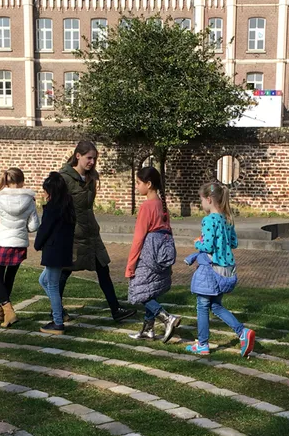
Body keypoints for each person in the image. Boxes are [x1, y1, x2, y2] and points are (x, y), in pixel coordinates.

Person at [59, 141, 134, 322]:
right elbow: (57, 207)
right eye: (89, 158)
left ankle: (116, 309)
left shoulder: (91, 178)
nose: (92, 162)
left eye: (94, 158)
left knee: (103, 269)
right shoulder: (63, 178)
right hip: (73, 234)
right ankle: (56, 310)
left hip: (91, 232)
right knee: (64, 271)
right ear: (78, 156)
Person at [185, 182, 255, 357]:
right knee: (215, 305)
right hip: (227, 269)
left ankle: (202, 344)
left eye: (201, 200)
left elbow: (207, 246)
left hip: (211, 269)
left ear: (208, 199)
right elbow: (234, 243)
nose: (201, 204)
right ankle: (242, 332)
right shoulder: (227, 218)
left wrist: (196, 242)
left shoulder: (208, 220)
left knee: (202, 305)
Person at [125, 167, 180, 341]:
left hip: (148, 253)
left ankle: (166, 317)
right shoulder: (162, 205)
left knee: (139, 291)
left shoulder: (147, 206)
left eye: (139, 183)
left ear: (148, 184)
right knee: (151, 289)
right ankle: (148, 330)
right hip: (162, 253)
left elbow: (138, 238)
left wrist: (130, 265)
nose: (137, 187)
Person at [0, 167, 39, 328]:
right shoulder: (29, 200)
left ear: (6, 180)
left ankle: (8, 310)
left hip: (3, 242)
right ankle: (0, 311)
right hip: (19, 244)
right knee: (9, 277)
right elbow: (34, 225)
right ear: (22, 181)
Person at [35, 172, 76, 335]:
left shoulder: (53, 208)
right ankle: (60, 311)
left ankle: (58, 321)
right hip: (62, 250)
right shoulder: (67, 205)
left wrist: (37, 244)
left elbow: (45, 229)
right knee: (43, 280)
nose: (43, 194)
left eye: (45, 191)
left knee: (52, 284)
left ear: (51, 192)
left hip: (54, 251)